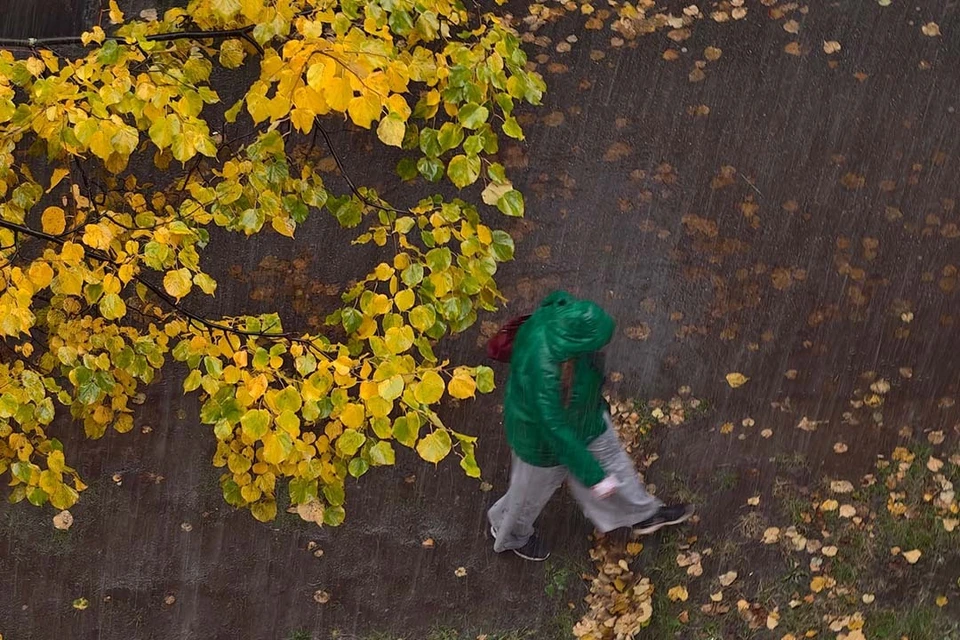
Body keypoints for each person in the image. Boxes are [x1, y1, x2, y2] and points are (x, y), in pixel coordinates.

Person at [487, 290, 693, 561]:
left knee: (615, 465)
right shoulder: (542, 368)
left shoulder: (561, 317)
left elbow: (555, 297)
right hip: (539, 444)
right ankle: (510, 533)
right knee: (527, 496)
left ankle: (642, 514)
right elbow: (554, 430)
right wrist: (593, 477)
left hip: (586, 418)